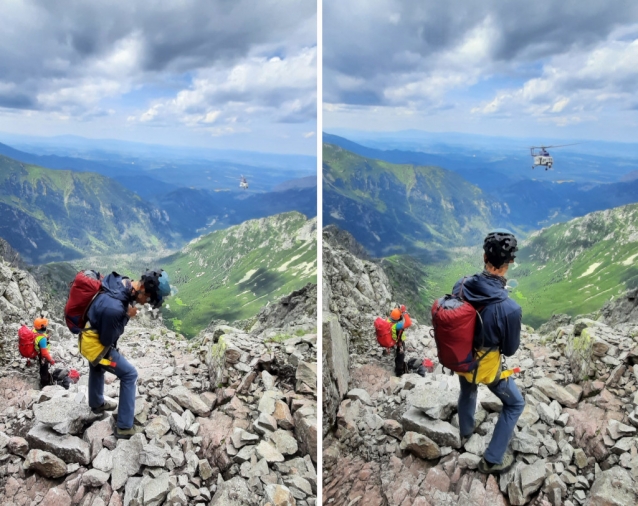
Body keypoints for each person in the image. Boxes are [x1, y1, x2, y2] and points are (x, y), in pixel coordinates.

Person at [453, 229, 525, 474]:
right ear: (508, 265)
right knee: (515, 404)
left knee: (468, 389)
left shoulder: (460, 285)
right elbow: (510, 350)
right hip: (488, 368)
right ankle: (492, 458)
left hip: (462, 361)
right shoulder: (510, 309)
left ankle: (465, 432)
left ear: (484, 256)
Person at [85, 269, 172, 439]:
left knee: (97, 367)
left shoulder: (123, 282)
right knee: (129, 374)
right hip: (96, 348)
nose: (145, 303)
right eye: (147, 298)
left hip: (88, 338)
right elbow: (106, 340)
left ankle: (96, 404)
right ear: (143, 290)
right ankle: (124, 427)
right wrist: (126, 316)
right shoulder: (115, 308)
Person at [387, 305, 412, 376]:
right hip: (399, 342)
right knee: (400, 356)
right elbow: (409, 323)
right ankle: (399, 372)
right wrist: (404, 312)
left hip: (393, 340)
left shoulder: (388, 320)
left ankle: (398, 366)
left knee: (398, 354)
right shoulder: (397, 325)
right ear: (399, 317)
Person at [33, 317, 56, 388]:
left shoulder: (34, 331)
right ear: (42, 327)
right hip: (43, 357)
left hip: (38, 353)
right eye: (45, 326)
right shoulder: (42, 339)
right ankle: (45, 385)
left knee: (42, 368)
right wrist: (51, 360)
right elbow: (45, 353)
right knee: (44, 370)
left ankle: (43, 377)